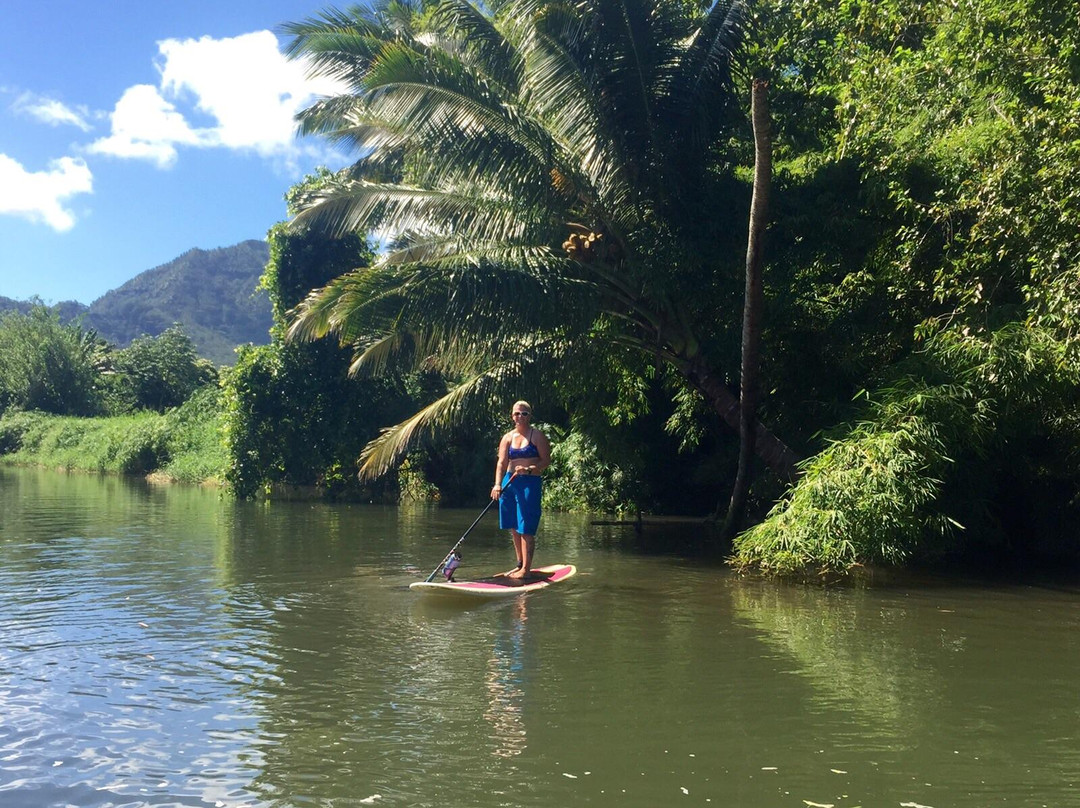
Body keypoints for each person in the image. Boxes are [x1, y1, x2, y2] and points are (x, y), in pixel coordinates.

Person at [491, 400, 551, 579]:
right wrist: (497, 484)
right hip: (510, 482)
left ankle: (526, 568)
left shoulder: (537, 436)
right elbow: (501, 462)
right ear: (512, 416)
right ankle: (519, 564)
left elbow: (546, 460)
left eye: (524, 413)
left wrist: (530, 469)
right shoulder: (507, 437)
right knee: (513, 525)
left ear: (529, 416)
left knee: (526, 525)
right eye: (517, 413)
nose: (520, 417)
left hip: (529, 482)